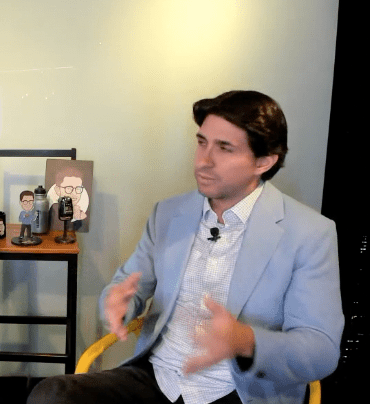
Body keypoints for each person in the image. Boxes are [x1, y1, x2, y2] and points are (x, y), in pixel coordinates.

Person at [28, 90, 343, 404]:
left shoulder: (310, 234)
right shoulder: (168, 214)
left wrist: (244, 340)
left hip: (242, 390)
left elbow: (321, 351)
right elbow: (128, 286)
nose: (203, 161)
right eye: (202, 142)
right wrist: (116, 303)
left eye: (224, 148)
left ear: (263, 161)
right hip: (158, 378)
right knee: (51, 395)